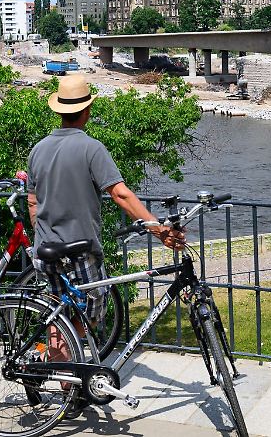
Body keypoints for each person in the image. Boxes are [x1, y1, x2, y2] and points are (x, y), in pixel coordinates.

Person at [27, 74, 184, 411]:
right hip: (79, 247)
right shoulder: (91, 148)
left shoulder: (38, 149)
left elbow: (32, 202)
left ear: (60, 111)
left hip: (46, 247)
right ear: (86, 112)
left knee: (58, 318)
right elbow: (121, 194)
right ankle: (70, 373)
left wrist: (41, 235)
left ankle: (64, 382)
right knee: (90, 313)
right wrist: (159, 231)